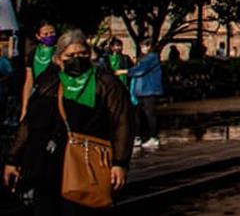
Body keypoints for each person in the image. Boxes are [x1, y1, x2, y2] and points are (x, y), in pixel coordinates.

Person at [5, 29, 133, 212]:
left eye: (82, 54)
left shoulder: (106, 83)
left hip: (88, 162)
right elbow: (29, 123)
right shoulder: (50, 83)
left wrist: (120, 163)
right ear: (59, 58)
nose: (77, 59)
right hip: (50, 163)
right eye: (70, 55)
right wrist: (13, 159)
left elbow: (122, 123)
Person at [125, 40, 164, 148]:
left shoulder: (152, 57)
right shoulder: (142, 58)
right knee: (138, 115)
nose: (143, 48)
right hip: (139, 90)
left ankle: (153, 137)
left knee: (149, 114)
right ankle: (138, 137)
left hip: (149, 90)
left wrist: (125, 71)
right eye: (142, 46)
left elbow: (140, 70)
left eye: (145, 46)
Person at [21, 22, 57, 119]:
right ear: (38, 36)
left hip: (55, 100)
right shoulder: (33, 54)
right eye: (45, 34)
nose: (49, 36)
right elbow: (29, 81)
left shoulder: (60, 52)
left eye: (52, 33)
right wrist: (24, 108)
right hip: (39, 98)